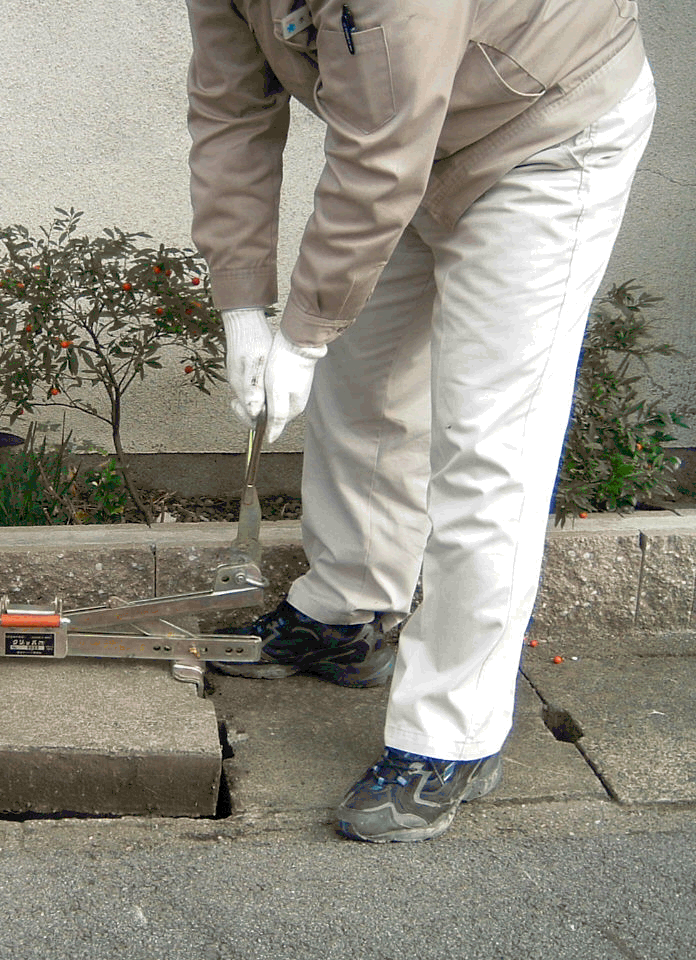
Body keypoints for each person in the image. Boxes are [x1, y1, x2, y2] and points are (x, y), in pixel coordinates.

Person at [186, 0, 652, 841]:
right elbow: (230, 113)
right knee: (360, 381)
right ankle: (350, 616)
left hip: (540, 125)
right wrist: (243, 307)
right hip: (408, 136)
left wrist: (303, 329)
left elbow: (379, 154)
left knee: (486, 442)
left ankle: (456, 733)